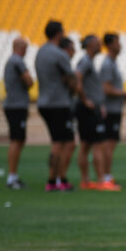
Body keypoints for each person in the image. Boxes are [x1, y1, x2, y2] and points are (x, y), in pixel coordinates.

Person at [35, 21, 77, 192]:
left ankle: (56, 180)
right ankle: (56, 180)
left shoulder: (40, 52)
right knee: (62, 143)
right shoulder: (59, 54)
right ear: (59, 33)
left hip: (44, 101)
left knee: (60, 141)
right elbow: (71, 79)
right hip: (58, 103)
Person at [76, 35, 117, 191]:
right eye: (98, 43)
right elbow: (77, 78)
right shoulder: (86, 61)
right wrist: (85, 100)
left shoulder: (89, 61)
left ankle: (86, 180)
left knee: (85, 144)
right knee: (97, 144)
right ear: (91, 45)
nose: (101, 45)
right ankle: (101, 180)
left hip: (89, 108)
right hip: (89, 109)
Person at [100, 32, 126, 185]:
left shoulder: (112, 63)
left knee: (110, 144)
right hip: (110, 110)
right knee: (108, 144)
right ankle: (106, 177)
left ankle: (107, 175)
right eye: (117, 42)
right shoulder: (107, 64)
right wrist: (125, 93)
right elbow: (106, 89)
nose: (120, 45)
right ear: (110, 45)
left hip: (114, 109)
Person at [2, 37, 33, 189]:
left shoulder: (11, 61)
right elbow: (29, 80)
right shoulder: (17, 61)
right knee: (16, 139)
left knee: (18, 139)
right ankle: (12, 177)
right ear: (21, 47)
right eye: (26, 48)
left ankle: (13, 176)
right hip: (16, 105)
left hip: (14, 104)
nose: (27, 51)